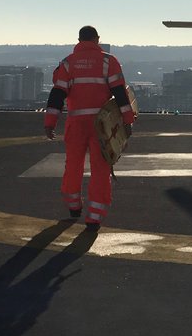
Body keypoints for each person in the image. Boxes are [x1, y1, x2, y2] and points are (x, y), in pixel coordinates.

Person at [43, 26, 135, 230]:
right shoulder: (108, 61)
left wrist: (50, 123)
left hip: (76, 124)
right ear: (97, 39)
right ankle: (94, 216)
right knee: (100, 168)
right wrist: (128, 119)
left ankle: (73, 206)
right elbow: (120, 93)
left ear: (78, 40)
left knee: (73, 165)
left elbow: (57, 95)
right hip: (102, 125)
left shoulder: (67, 63)